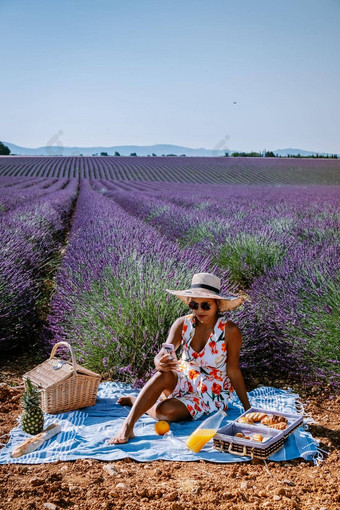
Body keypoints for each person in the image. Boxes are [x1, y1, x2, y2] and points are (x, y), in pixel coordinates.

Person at [109, 272, 251, 444]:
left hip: (210, 391)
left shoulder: (230, 331)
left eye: (205, 305)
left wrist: (247, 408)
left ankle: (136, 401)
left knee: (165, 411)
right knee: (163, 374)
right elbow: (164, 353)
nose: (199, 310)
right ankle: (128, 425)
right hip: (184, 378)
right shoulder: (182, 324)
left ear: (217, 304)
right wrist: (158, 362)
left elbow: (233, 370)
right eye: (194, 305)